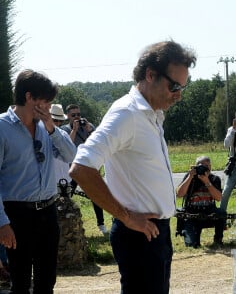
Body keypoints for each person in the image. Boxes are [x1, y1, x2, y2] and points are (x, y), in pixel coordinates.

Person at [69, 40, 196, 294]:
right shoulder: (127, 114)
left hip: (153, 233)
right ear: (150, 75)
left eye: (183, 86)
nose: (178, 94)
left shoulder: (151, 114)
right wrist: (126, 217)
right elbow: (81, 167)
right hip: (139, 235)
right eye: (174, 86)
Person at [0, 69, 76, 294]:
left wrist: (52, 128)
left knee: (46, 283)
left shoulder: (46, 127)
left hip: (48, 212)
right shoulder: (2, 127)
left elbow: (72, 157)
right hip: (16, 215)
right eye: (46, 100)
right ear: (29, 97)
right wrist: (2, 223)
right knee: (21, 284)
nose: (49, 106)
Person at [61, 104, 108, 234]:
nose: (77, 117)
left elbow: (98, 143)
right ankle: (63, 221)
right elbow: (66, 146)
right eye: (73, 115)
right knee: (67, 195)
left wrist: (89, 130)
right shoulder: (64, 130)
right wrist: (74, 130)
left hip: (88, 167)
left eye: (78, 114)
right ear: (68, 117)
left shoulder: (88, 127)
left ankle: (101, 224)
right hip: (72, 169)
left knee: (95, 195)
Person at [176, 156, 226, 248]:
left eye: (207, 166)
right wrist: (190, 176)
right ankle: (190, 235)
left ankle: (218, 239)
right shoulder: (190, 177)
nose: (204, 168)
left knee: (221, 213)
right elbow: (179, 194)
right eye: (201, 166)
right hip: (192, 214)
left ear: (210, 167)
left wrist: (207, 182)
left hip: (209, 213)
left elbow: (218, 198)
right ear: (195, 166)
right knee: (192, 245)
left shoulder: (214, 179)